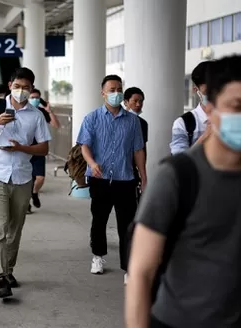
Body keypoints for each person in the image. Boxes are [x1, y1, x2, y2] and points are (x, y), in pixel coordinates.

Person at [126, 55, 241, 328]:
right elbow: (141, 271)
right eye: (237, 106)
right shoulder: (176, 177)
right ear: (212, 110)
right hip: (172, 321)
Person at [0, 67, 51, 299]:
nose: (21, 91)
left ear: (32, 89)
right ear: (9, 86)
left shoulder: (36, 115)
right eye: (17, 86)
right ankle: (0, 277)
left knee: (15, 229)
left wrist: (21, 148)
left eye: (26, 88)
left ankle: (8, 270)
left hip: (23, 177)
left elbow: (44, 148)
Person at [76, 74, 146, 281]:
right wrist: (92, 163)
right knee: (99, 219)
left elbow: (138, 151)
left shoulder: (133, 121)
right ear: (103, 92)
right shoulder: (92, 118)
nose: (116, 93)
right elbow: (84, 145)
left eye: (119, 89)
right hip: (100, 179)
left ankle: (128, 267)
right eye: (112, 89)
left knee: (127, 224)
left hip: (126, 179)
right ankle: (98, 256)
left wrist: (144, 176)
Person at [27, 88, 60, 212]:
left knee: (40, 178)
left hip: (39, 148)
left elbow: (56, 125)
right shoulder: (22, 112)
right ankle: (26, 204)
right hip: (25, 149)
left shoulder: (41, 112)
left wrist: (49, 111)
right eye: (32, 97)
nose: (35, 100)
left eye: (37, 98)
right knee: (27, 180)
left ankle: (34, 193)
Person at [170, 61, 212, 154]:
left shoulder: (234, 119)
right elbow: (179, 162)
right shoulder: (183, 123)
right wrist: (206, 135)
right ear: (196, 90)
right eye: (207, 91)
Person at [124, 87, 148, 201]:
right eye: (135, 101)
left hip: (132, 172)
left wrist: (143, 174)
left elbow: (142, 149)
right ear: (126, 102)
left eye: (141, 101)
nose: (138, 104)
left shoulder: (143, 123)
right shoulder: (118, 121)